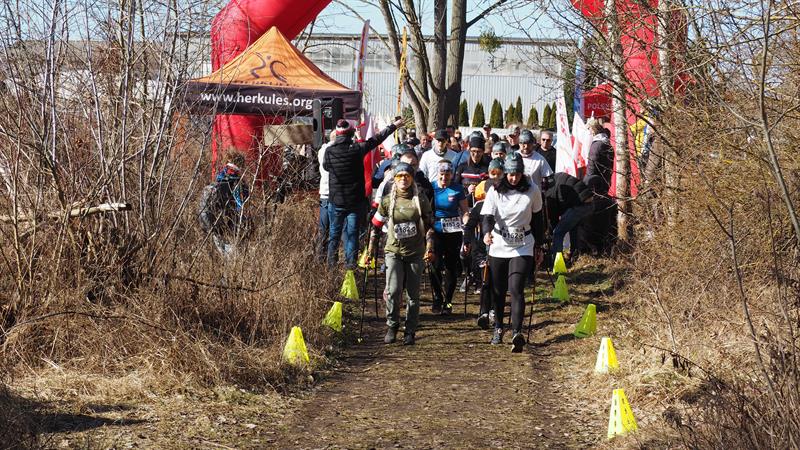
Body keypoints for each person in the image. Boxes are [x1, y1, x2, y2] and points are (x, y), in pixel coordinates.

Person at [481, 152, 545, 352]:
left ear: (522, 173)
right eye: (510, 174)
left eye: (517, 174)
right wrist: (486, 233)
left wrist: (540, 246)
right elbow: (487, 216)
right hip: (499, 243)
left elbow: (538, 220)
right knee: (498, 290)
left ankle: (517, 332)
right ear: (504, 173)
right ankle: (499, 327)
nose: (514, 178)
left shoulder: (532, 190)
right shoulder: (495, 190)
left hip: (523, 243)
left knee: (516, 288)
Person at [367, 162, 435, 346]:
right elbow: (375, 227)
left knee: (413, 294)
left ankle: (410, 330)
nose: (403, 179)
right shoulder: (387, 201)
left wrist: (429, 248)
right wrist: (370, 251)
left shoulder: (420, 199)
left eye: (406, 176)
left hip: (415, 252)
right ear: (394, 179)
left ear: (411, 178)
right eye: (399, 176)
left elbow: (430, 227)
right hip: (393, 251)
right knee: (394, 290)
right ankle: (392, 325)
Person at [324, 117, 404, 269]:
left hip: (336, 201)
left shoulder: (329, 151)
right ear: (350, 134)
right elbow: (378, 138)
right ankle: (350, 267)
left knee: (334, 234)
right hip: (355, 201)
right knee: (352, 235)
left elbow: (326, 167)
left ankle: (331, 267)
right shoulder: (357, 149)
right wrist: (394, 126)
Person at [462, 157, 504, 328]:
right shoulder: (479, 207)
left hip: (501, 248)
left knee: (496, 282)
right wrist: (466, 242)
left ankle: (493, 310)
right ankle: (484, 312)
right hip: (481, 250)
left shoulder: (505, 205)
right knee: (485, 281)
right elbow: (469, 226)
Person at [430, 159, 469, 314]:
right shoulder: (432, 187)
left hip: (453, 231)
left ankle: (448, 301)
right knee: (435, 265)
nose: (444, 177)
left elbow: (464, 211)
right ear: (437, 174)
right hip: (436, 230)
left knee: (451, 266)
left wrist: (466, 221)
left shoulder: (457, 189)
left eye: (447, 174)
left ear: (452, 174)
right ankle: (437, 297)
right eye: (442, 174)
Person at [198, 150, 250, 257]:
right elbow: (243, 205)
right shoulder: (239, 184)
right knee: (234, 258)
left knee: (223, 257)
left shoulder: (219, 179)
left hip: (216, 229)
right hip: (231, 229)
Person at [543, 172, 595, 260]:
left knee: (558, 233)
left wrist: (551, 232)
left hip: (580, 205)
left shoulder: (550, 192)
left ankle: (557, 260)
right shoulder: (557, 176)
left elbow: (553, 218)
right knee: (573, 227)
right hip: (590, 201)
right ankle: (575, 256)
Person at [316, 131, 336, 262]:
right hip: (335, 194)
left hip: (324, 193)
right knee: (334, 228)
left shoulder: (322, 150)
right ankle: (331, 258)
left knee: (323, 228)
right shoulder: (335, 151)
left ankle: (320, 256)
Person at [454, 134, 490, 203]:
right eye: (473, 151)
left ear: (483, 152)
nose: (476, 154)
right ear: (469, 151)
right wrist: (467, 190)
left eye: (479, 151)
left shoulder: (487, 168)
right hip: (464, 204)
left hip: (481, 204)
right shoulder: (462, 167)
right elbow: (455, 186)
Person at [585, 120, 614, 195]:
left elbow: (592, 166)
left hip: (595, 183)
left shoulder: (597, 145)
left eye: (589, 128)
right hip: (606, 180)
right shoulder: (607, 142)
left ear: (592, 129)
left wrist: (586, 182)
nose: (589, 131)